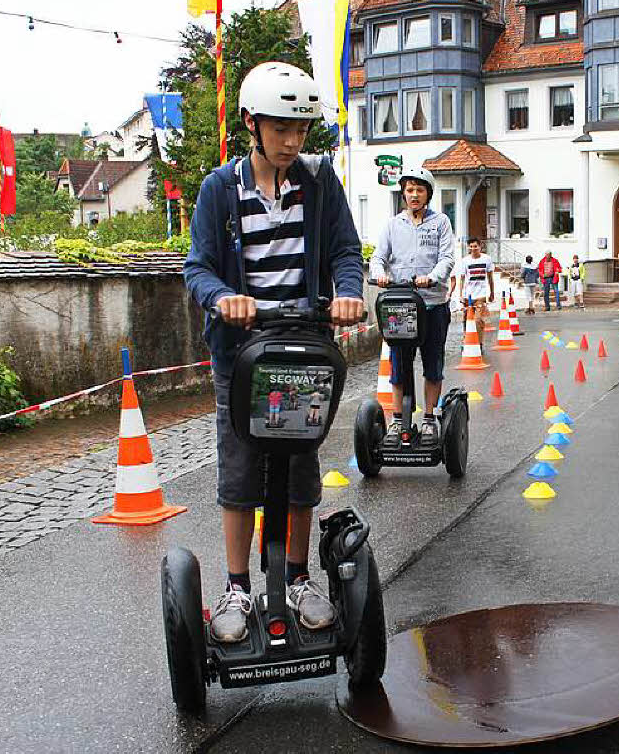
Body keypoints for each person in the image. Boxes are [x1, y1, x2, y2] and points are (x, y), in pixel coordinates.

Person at [183, 62, 365, 643]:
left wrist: (349, 293)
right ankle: (237, 585)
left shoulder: (319, 182)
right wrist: (224, 299)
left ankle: (298, 575)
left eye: (301, 129)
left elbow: (345, 251)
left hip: (304, 349)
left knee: (300, 466)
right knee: (239, 470)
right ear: (251, 124)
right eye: (280, 127)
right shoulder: (220, 189)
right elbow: (198, 269)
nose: (292, 140)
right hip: (241, 356)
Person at [370, 166, 456, 448]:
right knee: (398, 365)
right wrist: (380, 273)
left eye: (419, 190)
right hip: (401, 306)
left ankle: (429, 419)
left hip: (432, 304)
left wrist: (432, 277)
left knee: (433, 364)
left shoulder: (441, 222)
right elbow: (378, 257)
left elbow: (447, 258)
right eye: (409, 190)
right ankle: (398, 420)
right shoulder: (393, 225)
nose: (414, 195)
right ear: (403, 194)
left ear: (428, 193)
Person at [454, 238, 496, 342]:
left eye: (475, 246)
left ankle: (479, 342)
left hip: (481, 294)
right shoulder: (465, 261)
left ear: (480, 247)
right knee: (466, 319)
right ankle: (467, 339)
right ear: (468, 247)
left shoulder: (487, 259)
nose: (473, 249)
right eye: (471, 246)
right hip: (467, 294)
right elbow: (462, 279)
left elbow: (490, 277)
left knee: (478, 320)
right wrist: (460, 295)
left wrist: (492, 293)